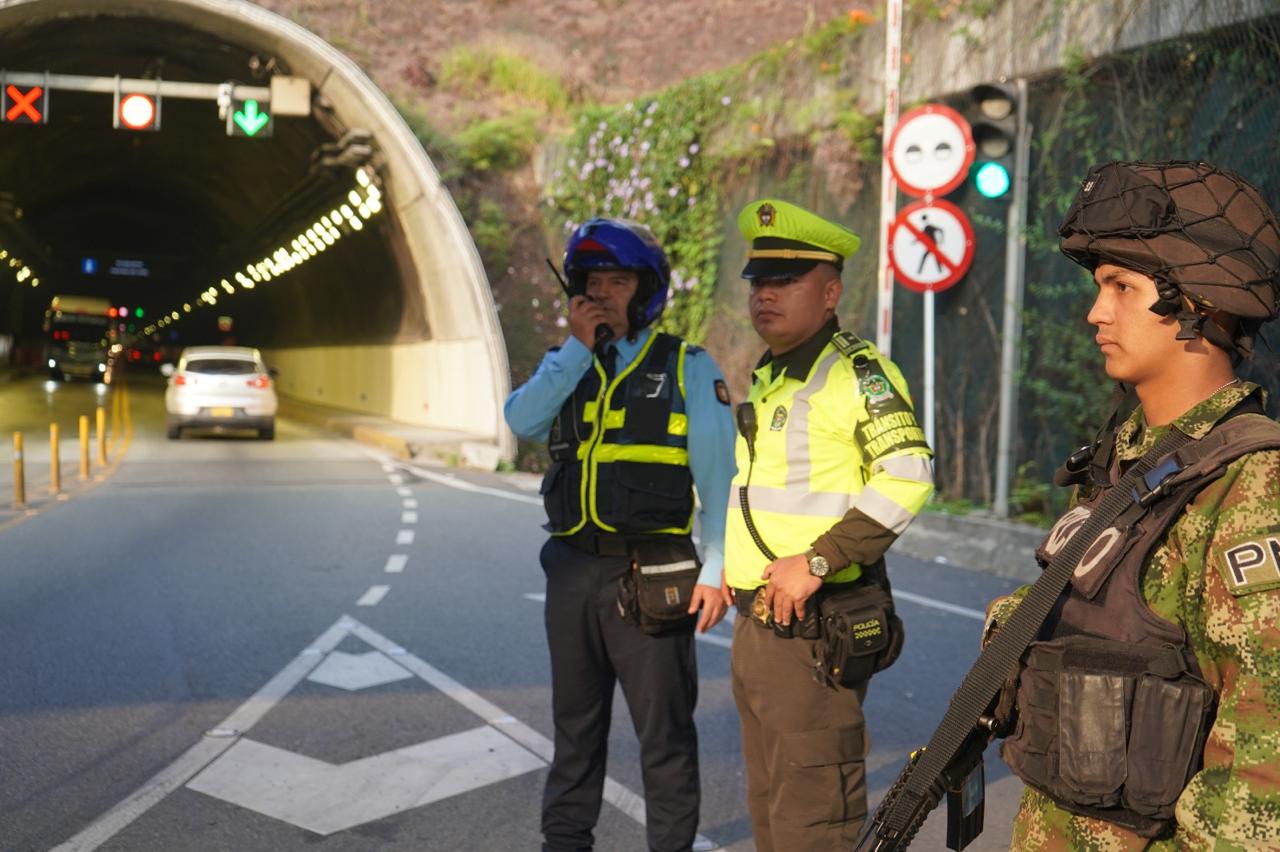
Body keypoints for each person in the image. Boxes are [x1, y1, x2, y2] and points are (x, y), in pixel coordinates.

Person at [985, 160, 1280, 850]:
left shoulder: (1250, 490)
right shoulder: (1130, 457)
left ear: (1198, 301)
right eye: (1098, 287)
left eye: (1122, 286)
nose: (1096, 311)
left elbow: (1260, 785)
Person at [504, 217, 737, 852]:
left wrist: (715, 573)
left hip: (652, 578)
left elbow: (719, 483)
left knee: (663, 736)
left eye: (620, 280)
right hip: (573, 571)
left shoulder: (688, 367)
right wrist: (577, 350)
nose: (604, 292)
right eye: (593, 280)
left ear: (647, 290)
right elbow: (520, 420)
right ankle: (565, 842)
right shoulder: (567, 365)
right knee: (574, 729)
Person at [723, 198, 935, 851]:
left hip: (812, 628)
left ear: (832, 290)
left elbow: (909, 473)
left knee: (813, 823)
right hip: (758, 626)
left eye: (785, 281)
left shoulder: (853, 372)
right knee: (772, 808)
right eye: (759, 282)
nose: (765, 295)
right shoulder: (776, 374)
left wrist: (817, 561)